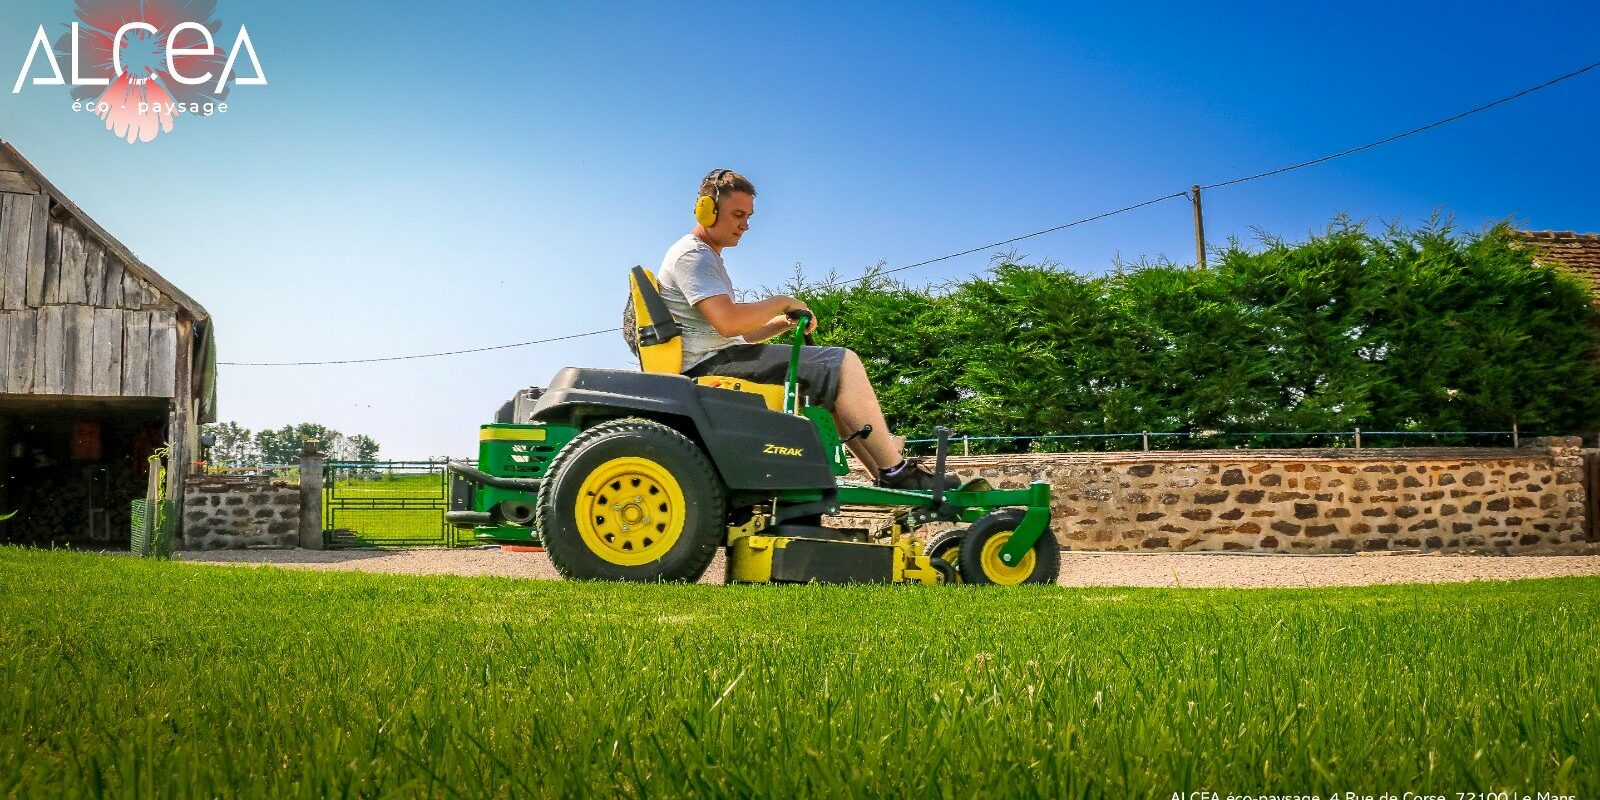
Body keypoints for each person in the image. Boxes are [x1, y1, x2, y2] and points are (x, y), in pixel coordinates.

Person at [654, 168, 957, 491]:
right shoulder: (693, 256)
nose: (745, 224)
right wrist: (782, 301)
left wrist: (783, 323)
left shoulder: (705, 257)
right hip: (710, 366)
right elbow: (728, 321)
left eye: (749, 216)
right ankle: (895, 471)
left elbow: (734, 333)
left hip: (719, 356)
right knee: (842, 363)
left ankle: (885, 474)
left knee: (827, 383)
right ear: (706, 210)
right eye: (738, 214)